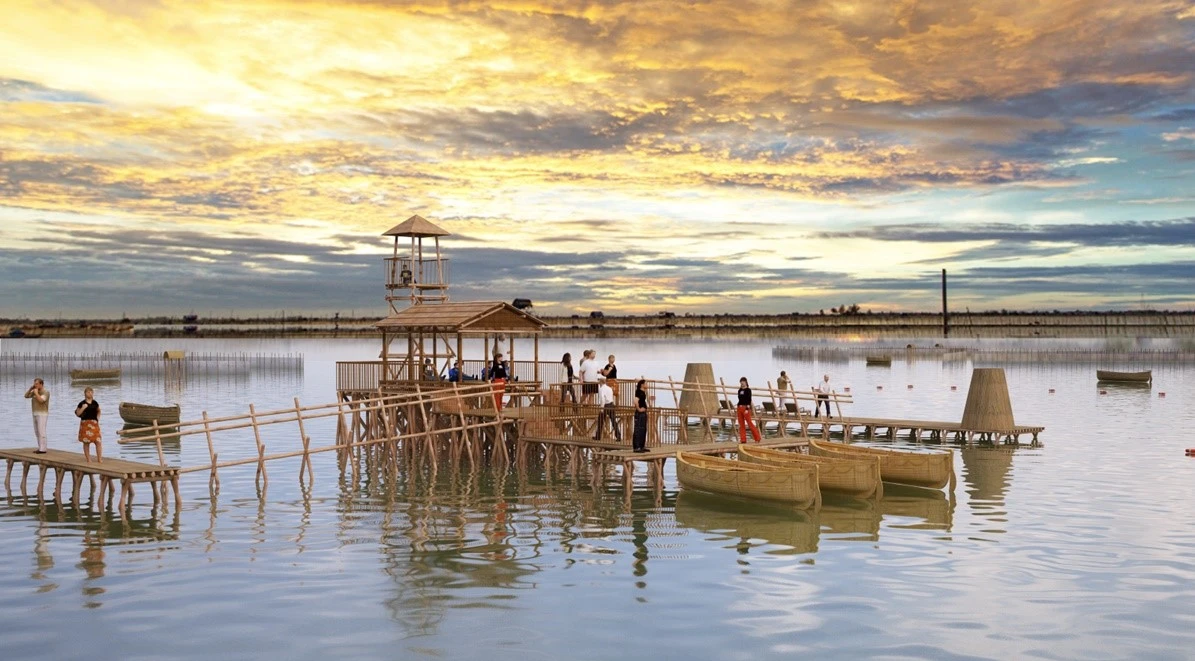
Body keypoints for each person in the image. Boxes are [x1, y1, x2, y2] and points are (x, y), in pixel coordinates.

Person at [75, 387, 103, 463]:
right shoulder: (82, 403)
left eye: (91, 392)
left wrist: (97, 419)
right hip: (85, 423)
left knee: (98, 441)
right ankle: (88, 459)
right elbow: (78, 414)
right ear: (85, 394)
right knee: (86, 442)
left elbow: (99, 411)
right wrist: (83, 408)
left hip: (94, 423)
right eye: (88, 392)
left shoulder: (95, 403)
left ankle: (99, 459)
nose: (90, 393)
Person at [24, 378, 49, 454]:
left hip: (42, 414)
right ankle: (40, 447)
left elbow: (41, 400)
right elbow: (26, 396)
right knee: (37, 431)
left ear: (41, 384)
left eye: (37, 384)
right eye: (35, 384)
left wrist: (36, 393)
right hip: (35, 413)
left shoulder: (45, 392)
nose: (35, 385)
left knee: (42, 431)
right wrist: (30, 389)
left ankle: (43, 449)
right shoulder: (35, 391)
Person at [593, 378, 622, 442]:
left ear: (600, 382)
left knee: (600, 421)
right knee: (614, 421)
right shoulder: (609, 388)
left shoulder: (601, 389)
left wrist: (601, 408)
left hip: (605, 406)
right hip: (611, 405)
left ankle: (598, 436)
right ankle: (618, 436)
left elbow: (602, 399)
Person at [736, 377, 761, 443]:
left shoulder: (748, 390)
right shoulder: (739, 390)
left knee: (749, 423)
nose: (742, 383)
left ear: (746, 382)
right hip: (739, 408)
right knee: (741, 424)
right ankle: (743, 439)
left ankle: (757, 438)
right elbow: (740, 400)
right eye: (741, 382)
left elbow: (749, 400)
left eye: (743, 381)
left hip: (745, 408)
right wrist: (737, 407)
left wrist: (747, 408)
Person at [632, 378, 649, 452]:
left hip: (643, 413)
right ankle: (637, 447)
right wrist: (639, 409)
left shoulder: (643, 392)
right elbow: (635, 401)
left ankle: (642, 446)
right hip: (639, 413)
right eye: (646, 383)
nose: (647, 385)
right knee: (638, 429)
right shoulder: (639, 392)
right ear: (642, 385)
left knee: (643, 429)